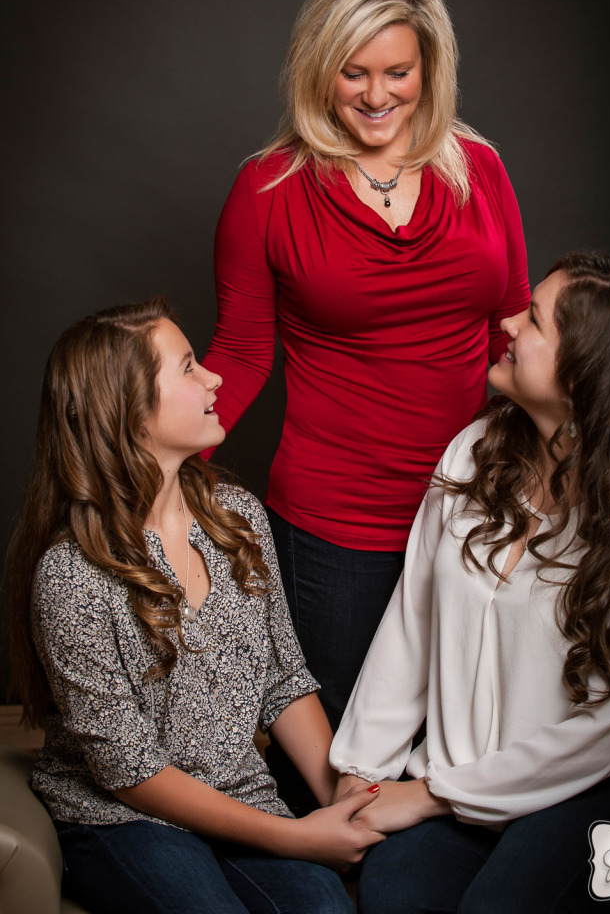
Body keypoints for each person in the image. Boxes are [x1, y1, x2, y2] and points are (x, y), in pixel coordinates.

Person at [203, 0, 531, 729]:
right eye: (353, 73)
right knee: (341, 747)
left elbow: (511, 327)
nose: (377, 96)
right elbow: (243, 355)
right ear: (319, 70)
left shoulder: (478, 169)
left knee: (464, 737)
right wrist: (143, 466)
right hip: (333, 523)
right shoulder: (267, 191)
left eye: (398, 72)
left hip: (472, 510)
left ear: (429, 68)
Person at [6, 298, 385, 914]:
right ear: (128, 410)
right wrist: (295, 838)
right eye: (187, 367)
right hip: (124, 816)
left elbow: (282, 679)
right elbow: (127, 771)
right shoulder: (71, 574)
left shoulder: (238, 517)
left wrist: (335, 803)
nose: (214, 377)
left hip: (243, 795)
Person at [330, 251, 610, 914]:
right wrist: (361, 773)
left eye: (534, 318)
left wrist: (425, 796)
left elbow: (600, 737)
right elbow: (413, 626)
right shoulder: (472, 454)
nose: (509, 322)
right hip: (464, 768)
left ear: (585, 373)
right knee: (392, 903)